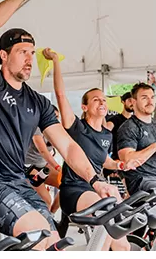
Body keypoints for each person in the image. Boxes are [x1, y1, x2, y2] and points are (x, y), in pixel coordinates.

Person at [0, 0, 120, 250]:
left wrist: (95, 181)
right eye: (22, 51)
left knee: (55, 243)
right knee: (40, 238)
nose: (29, 58)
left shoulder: (38, 102)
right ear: (3, 56)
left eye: (32, 52)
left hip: (18, 182)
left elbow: (68, 147)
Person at [46, 49, 133, 251]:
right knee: (107, 217)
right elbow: (60, 95)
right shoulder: (76, 127)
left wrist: (120, 165)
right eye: (95, 99)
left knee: (123, 246)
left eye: (103, 99)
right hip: (74, 190)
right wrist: (56, 61)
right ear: (84, 107)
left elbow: (104, 161)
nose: (102, 102)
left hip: (96, 188)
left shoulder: (107, 135)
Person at [115, 83, 156, 206]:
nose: (150, 101)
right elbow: (127, 158)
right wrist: (155, 146)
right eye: (144, 98)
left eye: (152, 97)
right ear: (133, 101)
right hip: (143, 181)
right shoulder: (129, 127)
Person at [24, 108, 63, 214]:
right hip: (29, 167)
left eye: (57, 117)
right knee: (46, 200)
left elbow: (64, 147)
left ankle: (52, 215)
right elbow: (43, 151)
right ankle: (44, 220)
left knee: (67, 184)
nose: (54, 119)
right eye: (52, 116)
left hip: (43, 166)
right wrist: (57, 167)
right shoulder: (36, 128)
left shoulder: (55, 130)